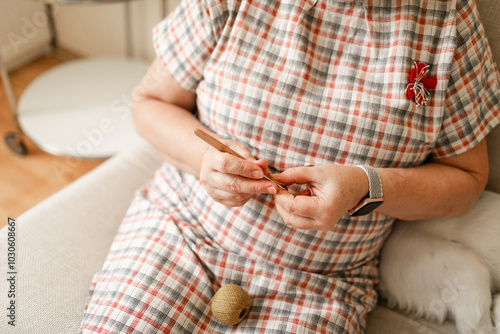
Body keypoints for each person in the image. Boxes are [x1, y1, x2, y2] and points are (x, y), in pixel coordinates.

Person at [80, 0, 500, 333]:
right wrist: (205, 158)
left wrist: (363, 186)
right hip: (182, 233)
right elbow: (149, 102)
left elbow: (466, 180)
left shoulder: (449, 23)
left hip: (321, 283)